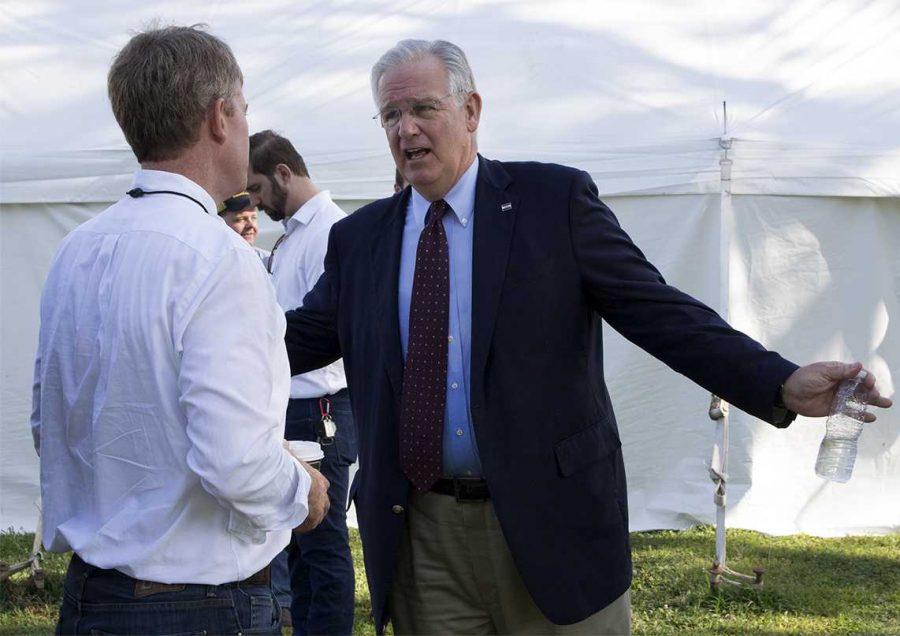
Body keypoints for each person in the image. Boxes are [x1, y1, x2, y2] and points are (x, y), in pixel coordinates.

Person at [282, 39, 892, 635]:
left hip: (553, 521)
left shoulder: (553, 202)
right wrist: (200, 337)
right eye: (391, 114)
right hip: (423, 535)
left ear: (470, 111)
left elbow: (660, 313)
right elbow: (298, 340)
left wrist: (780, 382)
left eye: (423, 109)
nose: (406, 130)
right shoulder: (361, 239)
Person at [30, 25, 329, 636]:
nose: (246, 126)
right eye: (243, 109)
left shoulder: (78, 249)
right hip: (197, 604)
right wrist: (305, 492)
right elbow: (236, 462)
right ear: (221, 116)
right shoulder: (220, 258)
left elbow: (49, 421)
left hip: (94, 594)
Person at [247, 130, 358, 635]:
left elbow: (325, 332)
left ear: (283, 173)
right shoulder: (292, 235)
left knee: (324, 541)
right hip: (289, 407)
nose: (253, 202)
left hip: (321, 410)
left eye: (256, 189)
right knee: (298, 540)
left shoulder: (334, 230)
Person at [220, 191, 270, 263]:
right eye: (241, 219)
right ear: (220, 222)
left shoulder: (270, 262)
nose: (251, 225)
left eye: (253, 217)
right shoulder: (209, 264)